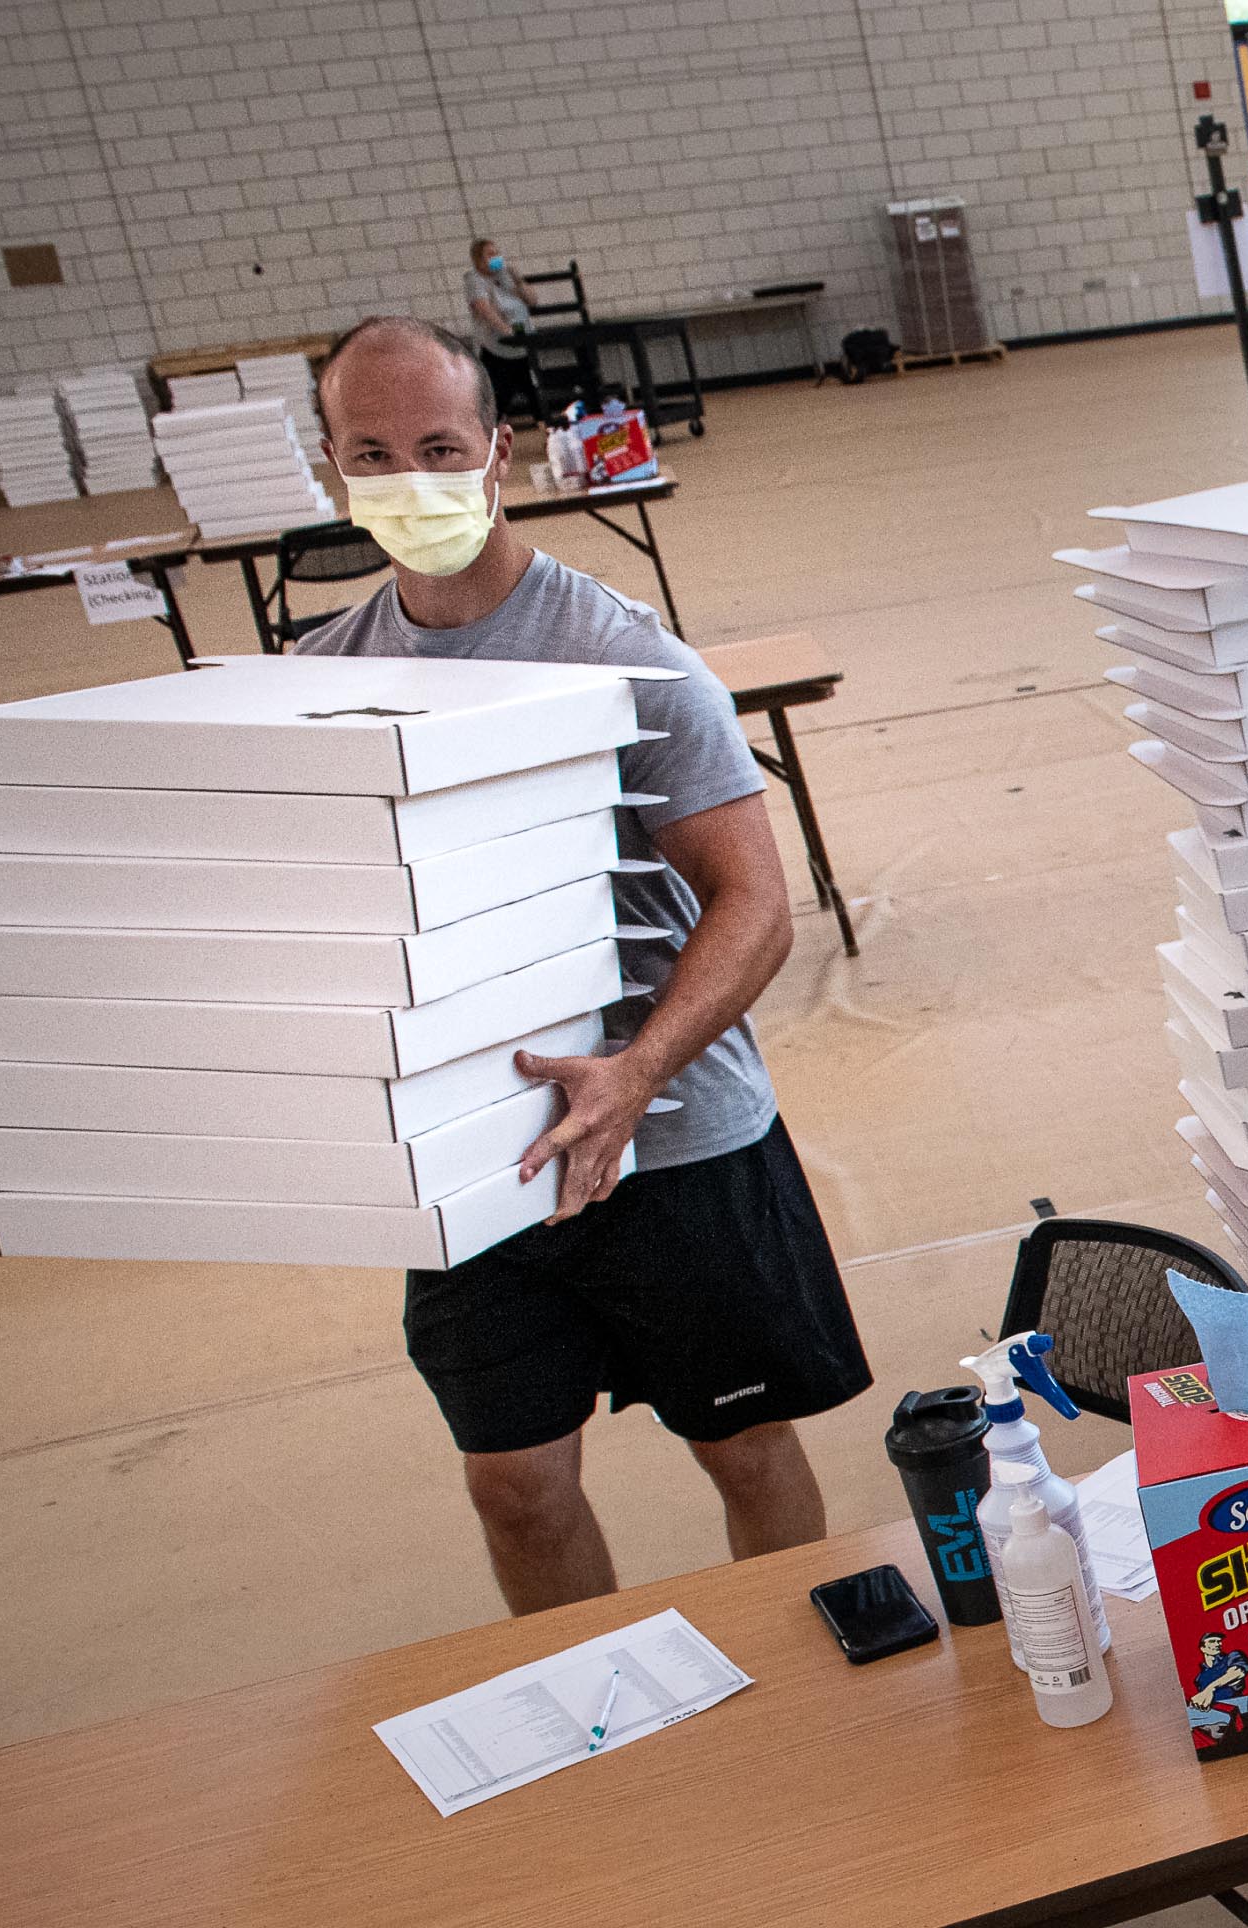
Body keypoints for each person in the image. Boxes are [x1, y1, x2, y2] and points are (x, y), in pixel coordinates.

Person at [300, 316, 870, 1615]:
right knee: (514, 1480)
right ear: (330, 466)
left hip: (671, 1140)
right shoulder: (320, 681)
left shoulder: (627, 657)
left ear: (500, 454)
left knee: (740, 1441)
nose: (410, 480)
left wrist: (637, 1071)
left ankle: (809, 1718)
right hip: (475, 1157)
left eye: (439, 447)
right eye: (372, 453)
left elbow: (756, 904)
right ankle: (586, 1710)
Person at [461, 240, 539, 423]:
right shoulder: (474, 279)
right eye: (490, 255)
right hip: (496, 346)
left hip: (523, 345)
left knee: (534, 391)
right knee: (498, 396)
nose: (495, 258)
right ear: (478, 260)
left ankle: (548, 431)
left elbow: (532, 300)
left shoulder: (504, 275)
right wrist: (506, 331)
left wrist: (517, 278)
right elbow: (485, 309)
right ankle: (492, 437)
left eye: (497, 253)